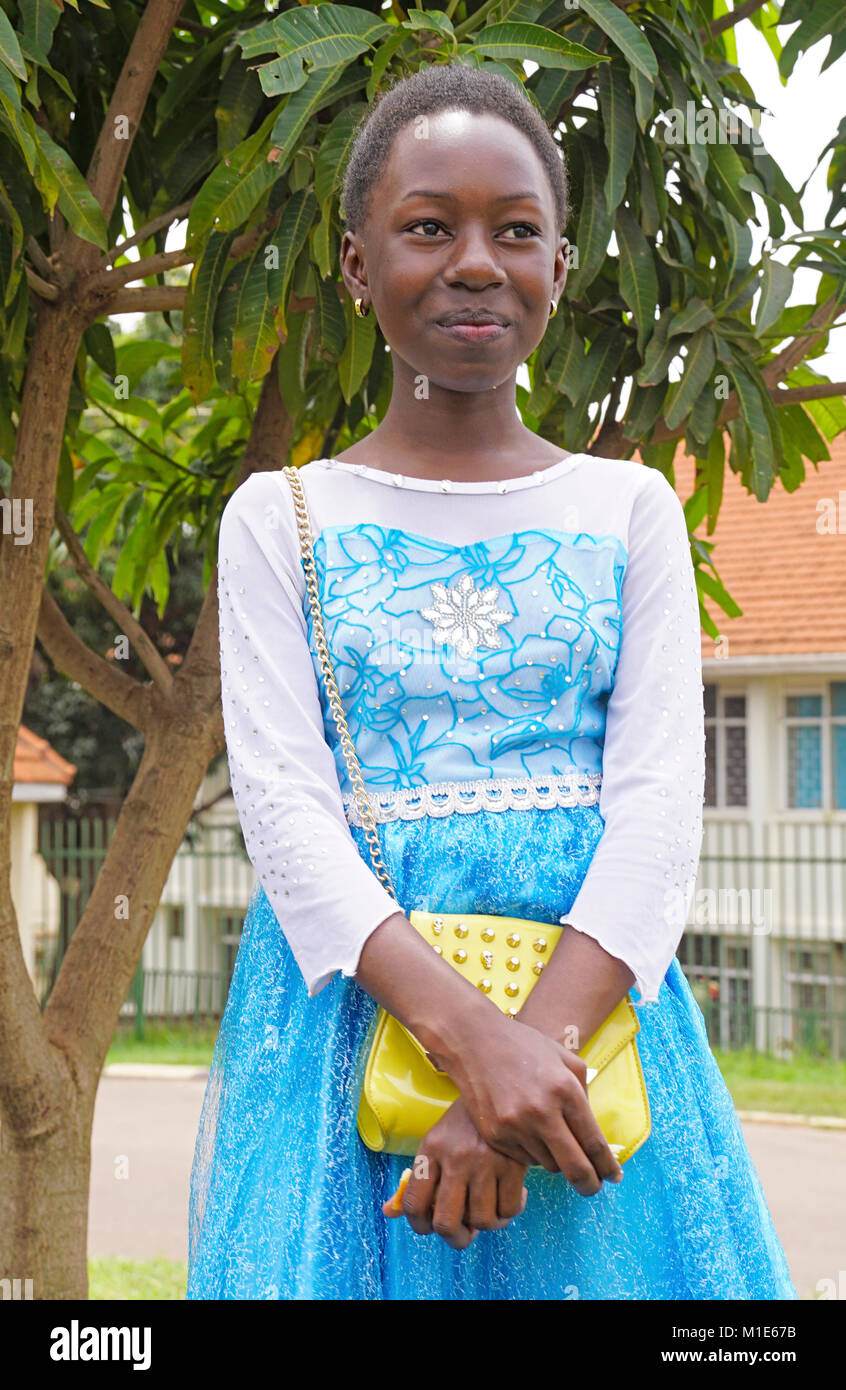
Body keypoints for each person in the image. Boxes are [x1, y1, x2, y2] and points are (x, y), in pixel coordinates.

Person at [186, 62, 796, 1300]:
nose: (476, 261)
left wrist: (536, 1062)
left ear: (559, 271)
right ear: (360, 269)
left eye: (517, 230)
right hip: (353, 1040)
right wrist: (470, 1047)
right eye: (428, 226)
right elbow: (289, 817)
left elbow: (658, 812)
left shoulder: (630, 510)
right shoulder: (279, 520)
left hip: (596, 1032)